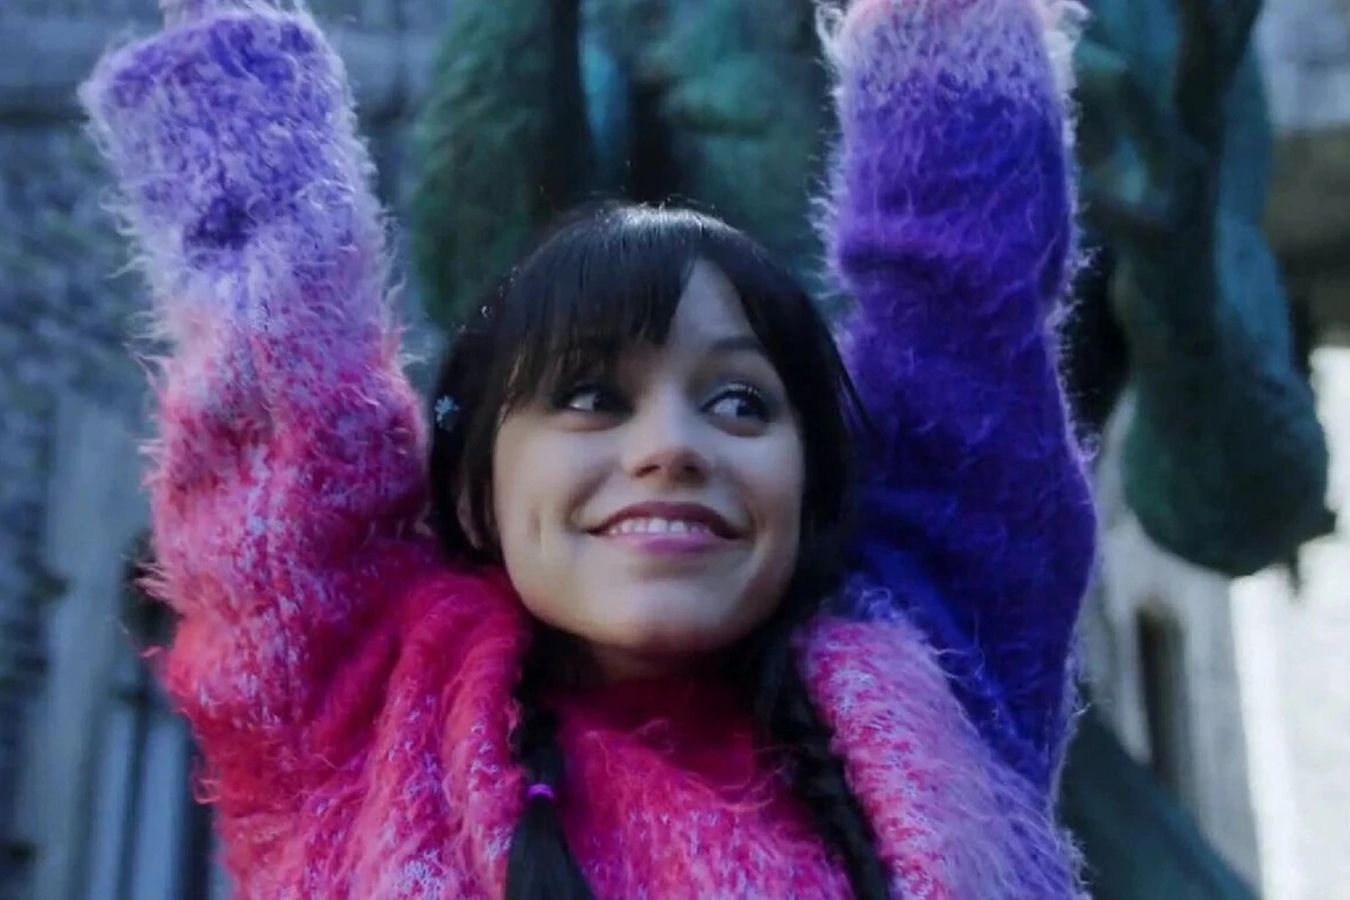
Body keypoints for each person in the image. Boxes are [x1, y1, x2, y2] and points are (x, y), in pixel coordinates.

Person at [80, 0, 1095, 896]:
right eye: (592, 397)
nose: (671, 448)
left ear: (813, 483)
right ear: (476, 489)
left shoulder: (940, 673)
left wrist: (949, 30)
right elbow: (276, 370)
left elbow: (961, 301)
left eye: (739, 403)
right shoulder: (355, 714)